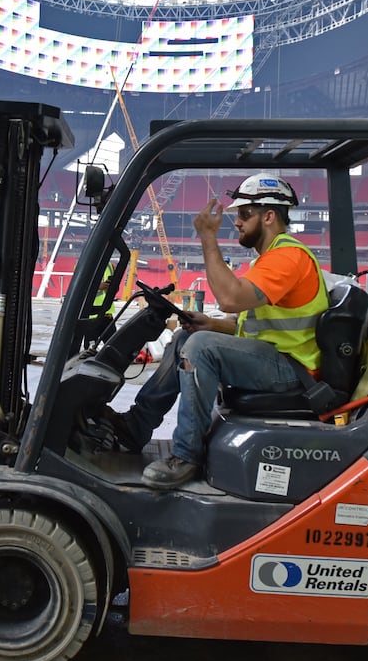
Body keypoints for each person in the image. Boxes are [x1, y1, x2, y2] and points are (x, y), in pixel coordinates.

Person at [128, 174, 327, 489]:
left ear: (269, 216)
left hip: (292, 368)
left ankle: (186, 455)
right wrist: (211, 324)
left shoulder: (287, 257)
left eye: (244, 214)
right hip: (273, 358)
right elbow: (250, 325)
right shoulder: (270, 260)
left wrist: (208, 236)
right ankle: (134, 428)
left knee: (201, 347)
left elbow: (231, 299)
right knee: (186, 337)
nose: (237, 222)